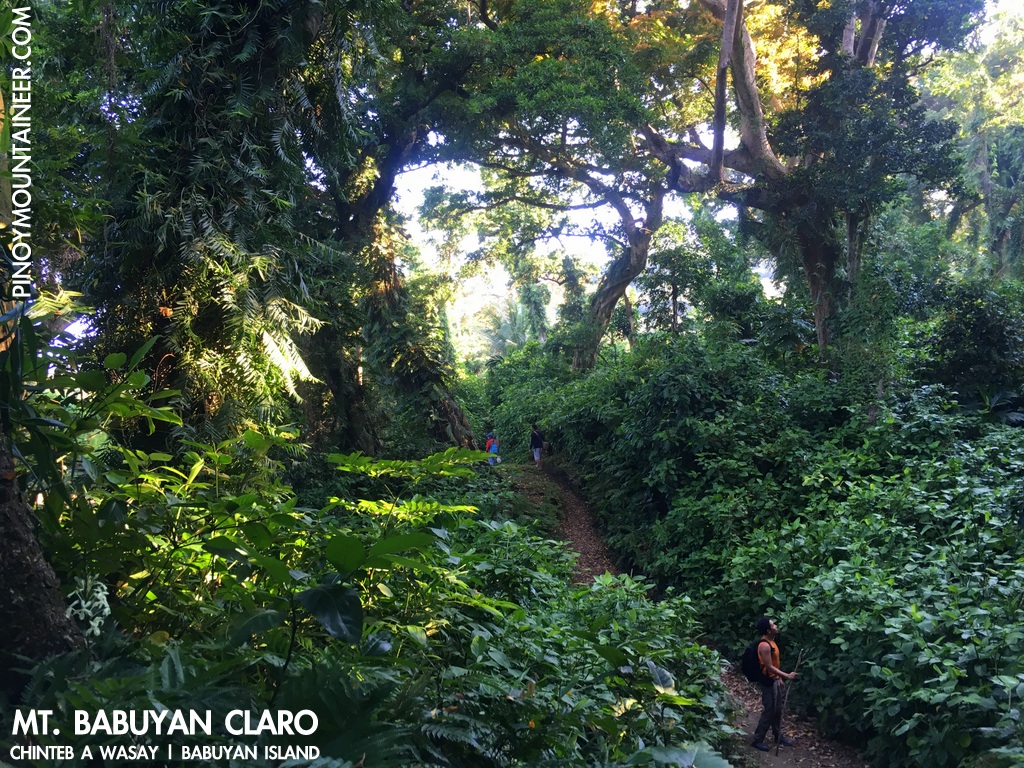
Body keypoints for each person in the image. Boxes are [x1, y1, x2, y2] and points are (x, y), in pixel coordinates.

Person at [752, 616, 797, 752]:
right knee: (770, 710)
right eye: (773, 625)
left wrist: (780, 678)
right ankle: (758, 739)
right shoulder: (765, 645)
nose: (776, 626)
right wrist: (786, 675)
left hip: (775, 680)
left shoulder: (772, 642)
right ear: (768, 629)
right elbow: (769, 666)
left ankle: (778, 736)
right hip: (768, 683)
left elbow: (774, 664)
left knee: (777, 710)